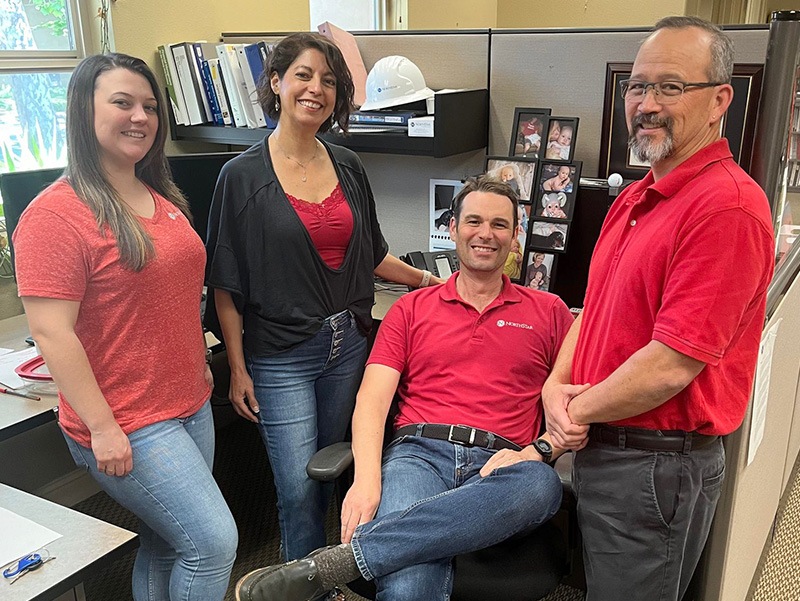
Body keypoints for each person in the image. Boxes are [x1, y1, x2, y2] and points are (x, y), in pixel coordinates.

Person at [233, 176, 575, 601]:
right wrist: (367, 479)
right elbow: (373, 401)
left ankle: (335, 564)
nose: (485, 234)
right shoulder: (411, 308)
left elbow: (574, 407)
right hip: (419, 455)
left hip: (504, 461)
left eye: (499, 225)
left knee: (541, 486)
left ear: (515, 235)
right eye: (473, 221)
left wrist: (540, 451)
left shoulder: (552, 312)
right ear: (452, 228)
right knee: (409, 584)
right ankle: (373, 553)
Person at [541, 17, 775, 601]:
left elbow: (673, 364)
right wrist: (555, 385)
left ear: (721, 98)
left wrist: (572, 414)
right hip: (609, 446)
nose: (646, 104)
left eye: (670, 87)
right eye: (636, 86)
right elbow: (592, 309)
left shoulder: (727, 208)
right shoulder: (638, 195)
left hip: (653, 466)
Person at [204, 32, 441, 563]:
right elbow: (226, 283)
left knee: (336, 471)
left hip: (347, 345)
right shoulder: (239, 177)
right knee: (297, 489)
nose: (316, 89)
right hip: (279, 356)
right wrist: (238, 369)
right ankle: (300, 587)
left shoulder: (348, 165)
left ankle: (328, 579)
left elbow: (372, 256)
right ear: (276, 83)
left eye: (329, 81)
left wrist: (428, 282)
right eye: (304, 76)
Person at [12, 54, 237, 601]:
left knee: (168, 542)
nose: (140, 117)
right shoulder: (54, 216)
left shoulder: (158, 198)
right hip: (126, 420)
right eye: (122, 103)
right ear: (83, 113)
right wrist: (102, 427)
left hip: (188, 402)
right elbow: (51, 332)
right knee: (212, 544)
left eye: (150, 107)